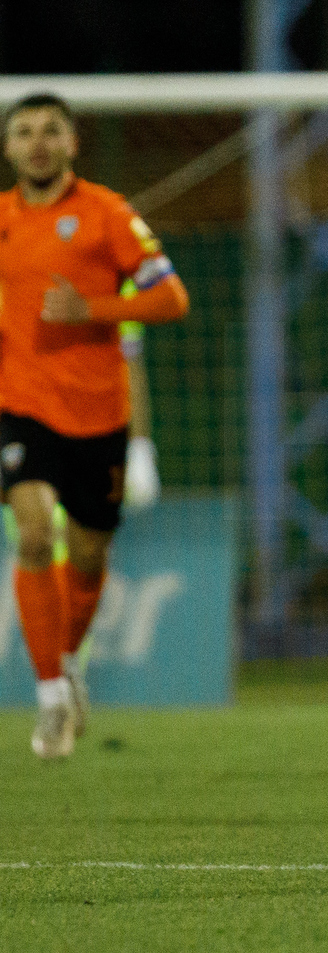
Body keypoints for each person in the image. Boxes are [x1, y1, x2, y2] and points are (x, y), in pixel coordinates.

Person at [0, 92, 190, 758]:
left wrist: (93, 309)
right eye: (24, 132)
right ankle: (49, 696)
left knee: (86, 557)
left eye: (50, 130)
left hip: (98, 417)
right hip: (20, 409)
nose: (38, 142)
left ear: (71, 143)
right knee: (31, 532)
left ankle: (69, 662)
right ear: (9, 148)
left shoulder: (108, 214)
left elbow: (172, 296)